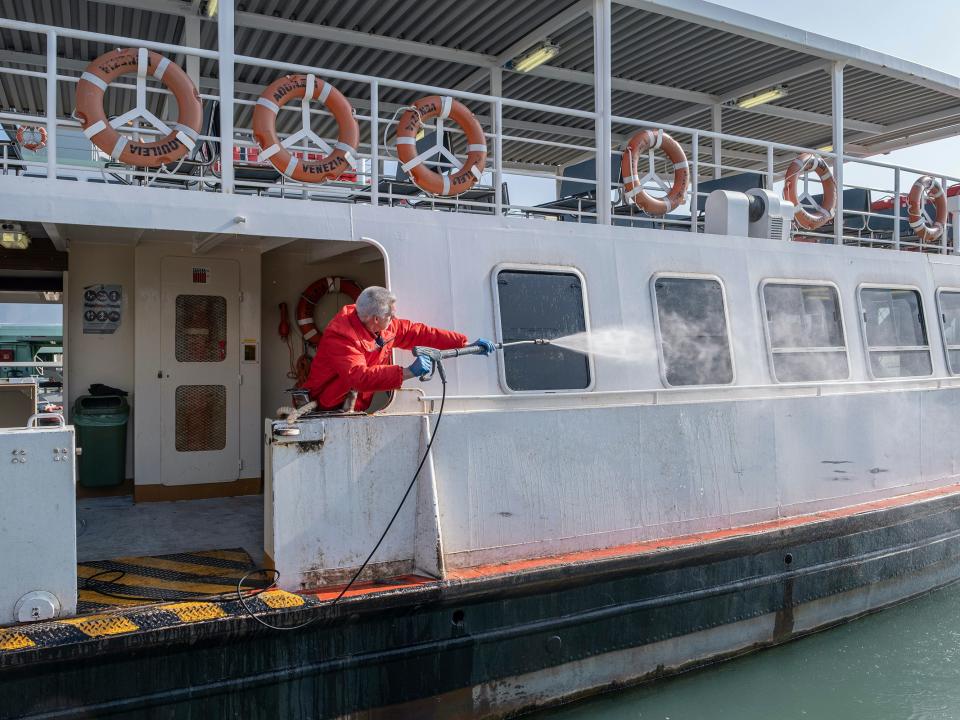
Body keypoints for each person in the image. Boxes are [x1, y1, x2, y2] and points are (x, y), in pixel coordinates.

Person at [302, 286, 495, 412]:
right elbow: (358, 377)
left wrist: (464, 344)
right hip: (326, 406)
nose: (395, 319)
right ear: (375, 319)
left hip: (355, 407)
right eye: (391, 316)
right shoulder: (341, 337)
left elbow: (420, 333)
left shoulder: (385, 326)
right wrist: (408, 372)